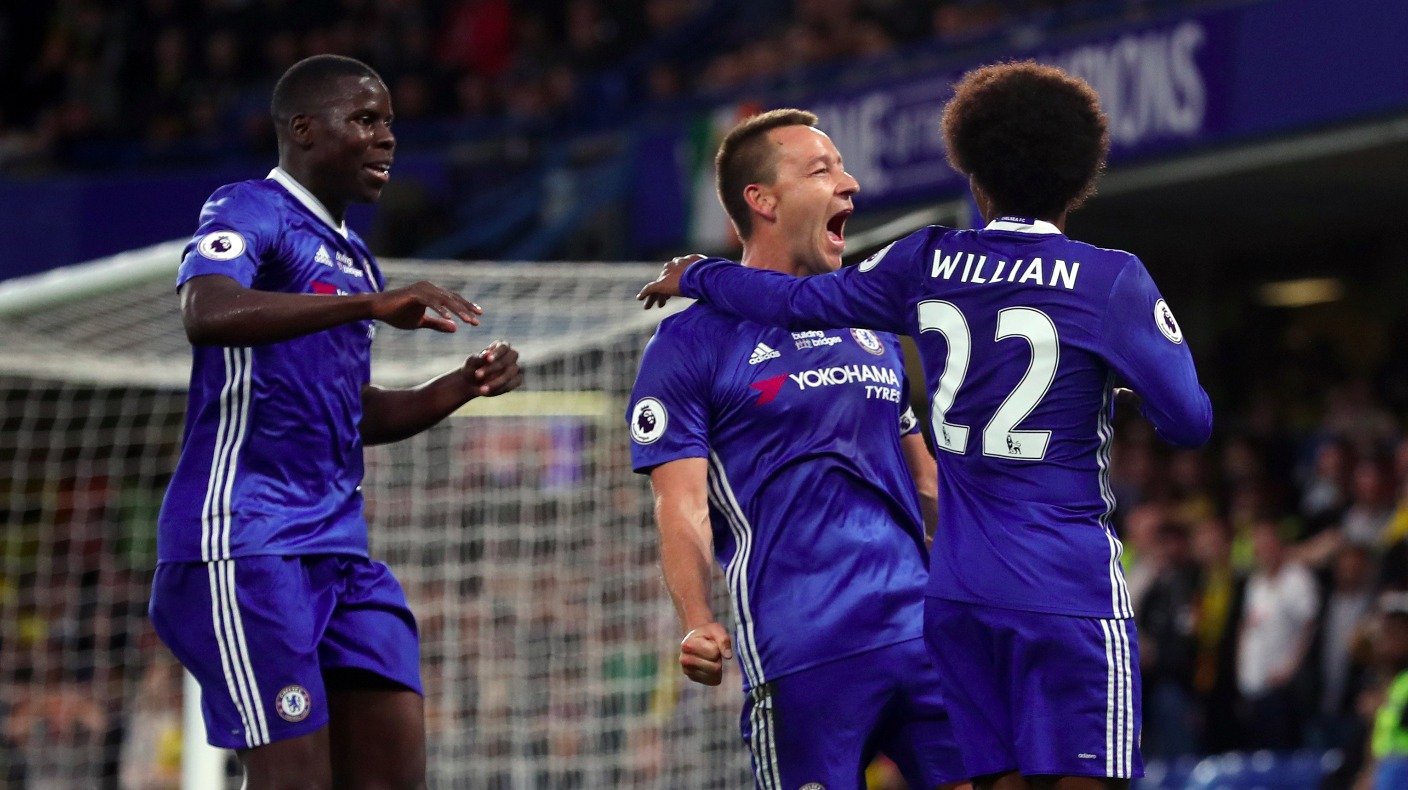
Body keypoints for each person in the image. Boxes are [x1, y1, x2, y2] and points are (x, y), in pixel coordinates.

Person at [639, 61, 1213, 790]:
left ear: (974, 170)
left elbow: (803, 317)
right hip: (1002, 599)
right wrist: (1125, 386)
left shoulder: (915, 275)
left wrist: (697, 272)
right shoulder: (1109, 279)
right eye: (823, 169)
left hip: (944, 613)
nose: (849, 184)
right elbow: (1189, 422)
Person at [147, 54, 523, 789]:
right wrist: (369, 305)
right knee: (295, 779)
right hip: (243, 543)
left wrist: (461, 385)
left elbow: (352, 413)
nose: (386, 137)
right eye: (365, 119)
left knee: (392, 772)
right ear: (304, 130)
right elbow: (206, 311)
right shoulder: (251, 208)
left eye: (389, 123)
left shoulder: (356, 259)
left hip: (339, 553)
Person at [627, 108, 966, 790]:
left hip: (922, 636)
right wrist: (696, 619)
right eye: (822, 169)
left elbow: (926, 483)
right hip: (803, 653)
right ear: (763, 200)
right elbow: (682, 506)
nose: (850, 183)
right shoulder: (687, 343)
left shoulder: (871, 329)